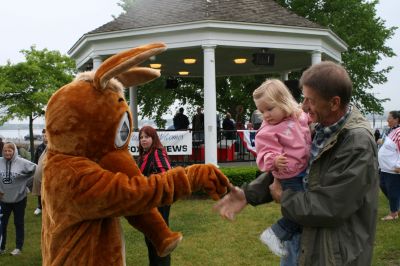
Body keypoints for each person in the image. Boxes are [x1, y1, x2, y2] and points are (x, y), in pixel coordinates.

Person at [214, 61, 379, 266]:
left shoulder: (356, 142)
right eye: (303, 98)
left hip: (331, 254)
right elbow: (294, 167)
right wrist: (249, 194)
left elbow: (331, 207)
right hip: (302, 241)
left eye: (310, 100)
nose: (303, 106)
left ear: (334, 103)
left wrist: (284, 197)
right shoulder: (319, 126)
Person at [252, 79, 311, 257]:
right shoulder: (267, 130)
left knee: (304, 210)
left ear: (283, 101)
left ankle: (286, 239)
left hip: (303, 170)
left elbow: (309, 120)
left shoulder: (297, 116)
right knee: (301, 211)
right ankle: (276, 233)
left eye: (270, 109)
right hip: (289, 175)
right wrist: (273, 160)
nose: (266, 115)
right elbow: (264, 151)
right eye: (262, 111)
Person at [137, 126, 174, 266]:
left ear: (153, 138)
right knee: (150, 238)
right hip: (151, 202)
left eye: (146, 137)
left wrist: (148, 181)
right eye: (141, 137)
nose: (143, 140)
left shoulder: (157, 153)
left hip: (160, 201)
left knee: (159, 238)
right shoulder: (145, 155)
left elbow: (166, 175)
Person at [0, 142, 36, 256]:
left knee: (18, 223)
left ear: (14, 151)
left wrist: (26, 183)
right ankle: (2, 247)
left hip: (19, 199)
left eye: (10, 150)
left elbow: (38, 170)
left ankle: (18, 248)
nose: (7, 153)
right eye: (5, 151)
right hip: (3, 199)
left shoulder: (22, 162)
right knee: (2, 224)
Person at [378, 110, 400, 220]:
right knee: (382, 185)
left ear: (396, 119)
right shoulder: (392, 131)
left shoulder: (399, 132)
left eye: (389, 118)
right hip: (385, 168)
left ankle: (393, 213)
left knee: (392, 191)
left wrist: (399, 166)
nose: (387, 120)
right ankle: (396, 206)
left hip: (393, 169)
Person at [32, 129, 47, 216]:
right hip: (40, 172)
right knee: (40, 190)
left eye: (46, 136)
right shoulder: (40, 147)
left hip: (50, 173)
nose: (44, 138)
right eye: (43, 136)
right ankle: (40, 207)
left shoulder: (54, 147)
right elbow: (35, 160)